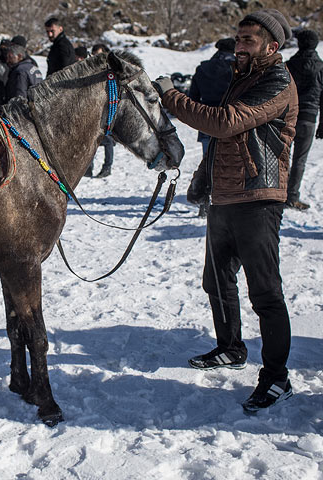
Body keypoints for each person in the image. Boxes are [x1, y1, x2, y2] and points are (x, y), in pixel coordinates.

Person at [154, 9, 297, 412]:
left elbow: (225, 123)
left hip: (259, 200)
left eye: (248, 40)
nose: (239, 46)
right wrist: (204, 180)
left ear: (272, 46)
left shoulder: (276, 81)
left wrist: (171, 97)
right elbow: (225, 141)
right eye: (237, 40)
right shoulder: (244, 78)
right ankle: (231, 348)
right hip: (226, 199)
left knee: (265, 294)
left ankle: (276, 378)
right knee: (216, 282)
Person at [188, 37, 236, 217]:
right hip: (232, 119)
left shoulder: (203, 68)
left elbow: (192, 98)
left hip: (207, 120)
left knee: (208, 163)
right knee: (231, 164)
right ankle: (225, 203)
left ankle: (204, 203)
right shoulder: (239, 68)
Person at [285, 29, 323, 211]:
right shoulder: (320, 66)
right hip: (309, 117)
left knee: (282, 156)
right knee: (300, 160)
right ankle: (292, 196)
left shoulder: (289, 64)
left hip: (289, 117)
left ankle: (278, 193)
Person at [85, 43, 114, 178]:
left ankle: (107, 167)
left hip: (107, 110)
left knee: (106, 140)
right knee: (91, 139)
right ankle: (88, 168)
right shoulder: (93, 70)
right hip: (94, 109)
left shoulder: (110, 71)